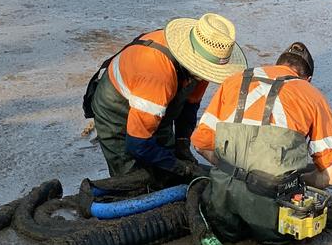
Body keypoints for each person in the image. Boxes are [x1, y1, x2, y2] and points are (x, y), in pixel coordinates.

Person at [191, 42, 332, 244]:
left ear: (276, 64)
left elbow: (200, 144)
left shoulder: (234, 80)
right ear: (308, 79)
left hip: (222, 209)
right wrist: (299, 181)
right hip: (272, 218)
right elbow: (331, 177)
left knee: (225, 229)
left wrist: (231, 170)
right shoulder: (314, 97)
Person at [87, 13, 247, 183]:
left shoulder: (202, 66)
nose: (205, 76)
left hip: (155, 103)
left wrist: (182, 143)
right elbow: (137, 143)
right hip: (116, 108)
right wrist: (178, 166)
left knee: (167, 165)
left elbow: (190, 106)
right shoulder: (156, 75)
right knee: (134, 178)